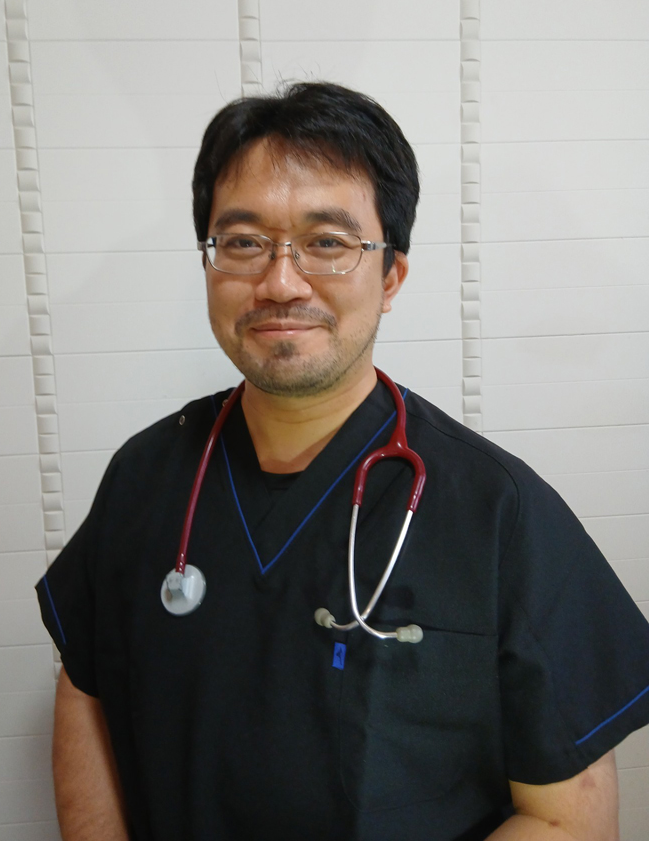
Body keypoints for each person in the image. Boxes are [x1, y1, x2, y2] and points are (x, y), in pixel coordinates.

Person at [37, 82, 649, 841]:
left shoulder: (497, 510)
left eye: (327, 242)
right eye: (243, 242)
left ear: (390, 275)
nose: (280, 281)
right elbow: (84, 688)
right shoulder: (145, 476)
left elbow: (568, 819)